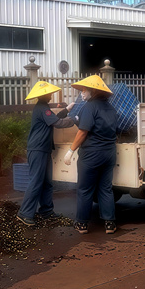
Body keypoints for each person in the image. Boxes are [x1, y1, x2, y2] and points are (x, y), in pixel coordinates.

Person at [16, 81, 77, 227]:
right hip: (37, 149)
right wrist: (75, 120)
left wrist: (67, 110)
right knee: (36, 181)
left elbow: (54, 119)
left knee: (47, 182)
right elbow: (58, 123)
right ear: (44, 95)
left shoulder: (44, 108)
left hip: (43, 149)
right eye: (49, 93)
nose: (51, 95)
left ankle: (46, 210)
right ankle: (25, 213)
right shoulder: (42, 108)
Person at [63, 75, 118, 234]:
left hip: (91, 155)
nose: (82, 93)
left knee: (85, 189)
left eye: (84, 90)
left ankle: (82, 224)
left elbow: (83, 131)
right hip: (109, 153)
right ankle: (110, 223)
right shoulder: (112, 108)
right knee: (105, 189)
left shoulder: (89, 107)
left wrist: (71, 150)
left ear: (93, 91)